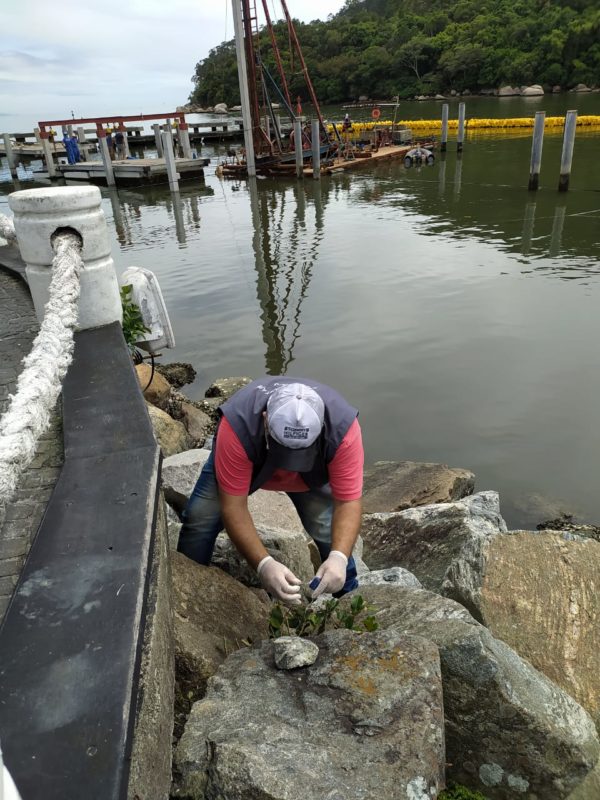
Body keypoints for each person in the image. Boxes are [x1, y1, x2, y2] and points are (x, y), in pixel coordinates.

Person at [178, 377, 364, 606]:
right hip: (251, 457)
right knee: (200, 519)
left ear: (321, 429)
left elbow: (348, 502)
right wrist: (263, 564)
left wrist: (339, 557)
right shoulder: (237, 426)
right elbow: (233, 507)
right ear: (265, 420)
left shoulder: (342, 430)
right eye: (283, 450)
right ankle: (187, 592)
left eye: (299, 455)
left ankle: (348, 599)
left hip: (311, 476)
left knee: (327, 528)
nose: (289, 467)